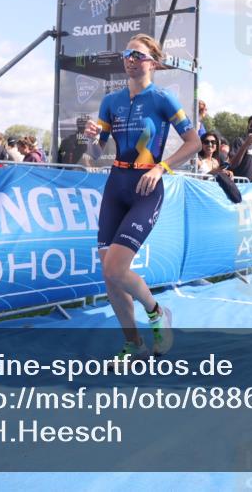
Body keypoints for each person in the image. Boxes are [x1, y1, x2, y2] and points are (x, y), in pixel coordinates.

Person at [81, 34, 200, 360]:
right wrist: (92, 138)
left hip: (146, 188)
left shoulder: (163, 99)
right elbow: (96, 151)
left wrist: (161, 168)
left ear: (154, 63)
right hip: (116, 185)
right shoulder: (111, 101)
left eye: (138, 54)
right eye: (126, 54)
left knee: (117, 268)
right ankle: (134, 344)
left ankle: (156, 311)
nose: (130, 59)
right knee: (110, 274)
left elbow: (194, 144)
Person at [228, 114, 252, 181]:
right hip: (239, 186)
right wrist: (246, 144)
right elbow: (232, 164)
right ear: (248, 127)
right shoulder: (239, 141)